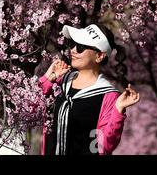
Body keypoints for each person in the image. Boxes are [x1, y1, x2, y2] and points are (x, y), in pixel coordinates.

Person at [40, 24, 140, 155]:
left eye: (81, 47)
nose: (73, 50)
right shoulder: (60, 82)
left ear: (99, 55)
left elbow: (103, 145)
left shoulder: (107, 96)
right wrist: (48, 79)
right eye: (73, 44)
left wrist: (118, 110)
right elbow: (31, 110)